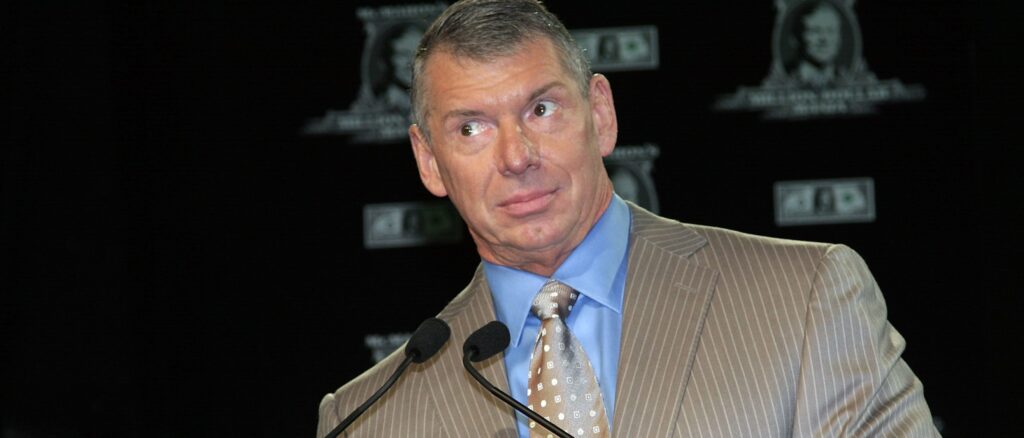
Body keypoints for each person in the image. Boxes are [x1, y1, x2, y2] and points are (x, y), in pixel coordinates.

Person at [317, 1, 938, 436]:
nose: (516, 158)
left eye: (540, 109)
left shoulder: (804, 300)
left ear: (601, 113)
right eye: (471, 128)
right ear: (429, 161)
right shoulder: (369, 417)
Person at [787, 0, 844, 87]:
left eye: (831, 31)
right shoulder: (787, 76)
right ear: (795, 39)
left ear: (839, 38)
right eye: (815, 31)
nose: (824, 39)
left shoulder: (845, 76)